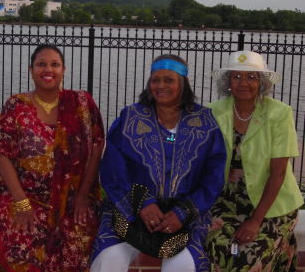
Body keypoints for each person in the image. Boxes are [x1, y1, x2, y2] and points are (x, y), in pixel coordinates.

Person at [91, 54, 227, 272]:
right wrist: (143, 204)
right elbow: (113, 170)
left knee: (184, 264)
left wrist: (182, 213)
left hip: (186, 215)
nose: (161, 86)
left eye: (169, 80)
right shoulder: (130, 118)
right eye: (155, 79)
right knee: (110, 256)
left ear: (183, 84)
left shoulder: (205, 122)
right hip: (131, 209)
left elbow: (213, 177)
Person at [0, 44, 105, 271]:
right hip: (23, 195)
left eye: (54, 64)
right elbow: (2, 153)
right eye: (41, 64)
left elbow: (97, 147)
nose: (48, 69)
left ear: (64, 70)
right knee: (20, 246)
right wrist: (21, 202)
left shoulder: (82, 104)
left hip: (71, 199)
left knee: (79, 244)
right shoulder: (16, 106)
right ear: (31, 70)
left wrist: (82, 196)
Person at [206, 50, 304, 271]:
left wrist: (255, 220)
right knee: (217, 245)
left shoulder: (279, 113)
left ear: (261, 82)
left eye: (251, 77)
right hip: (227, 201)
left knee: (248, 256)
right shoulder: (213, 111)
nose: (243, 83)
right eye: (236, 76)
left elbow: (278, 174)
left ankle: (278, 250)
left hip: (272, 206)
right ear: (228, 81)